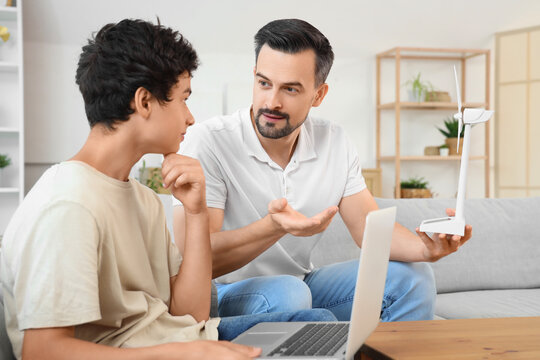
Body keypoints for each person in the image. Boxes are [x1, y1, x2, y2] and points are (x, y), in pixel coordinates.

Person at [0, 19, 335, 360]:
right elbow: (41, 351)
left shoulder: (141, 197)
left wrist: (196, 211)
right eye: (183, 99)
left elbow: (190, 315)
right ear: (144, 102)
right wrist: (183, 353)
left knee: (320, 327)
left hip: (180, 340)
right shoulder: (67, 204)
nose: (190, 118)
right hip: (155, 353)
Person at [173, 18, 473, 322]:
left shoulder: (334, 140)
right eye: (264, 83)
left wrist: (426, 249)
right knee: (289, 293)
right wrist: (274, 226)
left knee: (413, 279)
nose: (271, 102)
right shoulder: (209, 141)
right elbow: (195, 257)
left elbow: (367, 227)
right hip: (223, 291)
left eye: (290, 89)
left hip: (301, 284)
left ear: (318, 95)